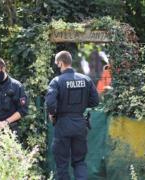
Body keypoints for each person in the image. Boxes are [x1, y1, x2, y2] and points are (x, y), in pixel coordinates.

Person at [45, 51, 99, 180]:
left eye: (57, 63)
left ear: (61, 62)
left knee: (62, 163)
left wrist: (52, 114)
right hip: (80, 123)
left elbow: (50, 103)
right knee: (79, 161)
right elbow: (95, 101)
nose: (57, 65)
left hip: (63, 124)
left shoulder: (56, 81)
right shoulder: (86, 79)